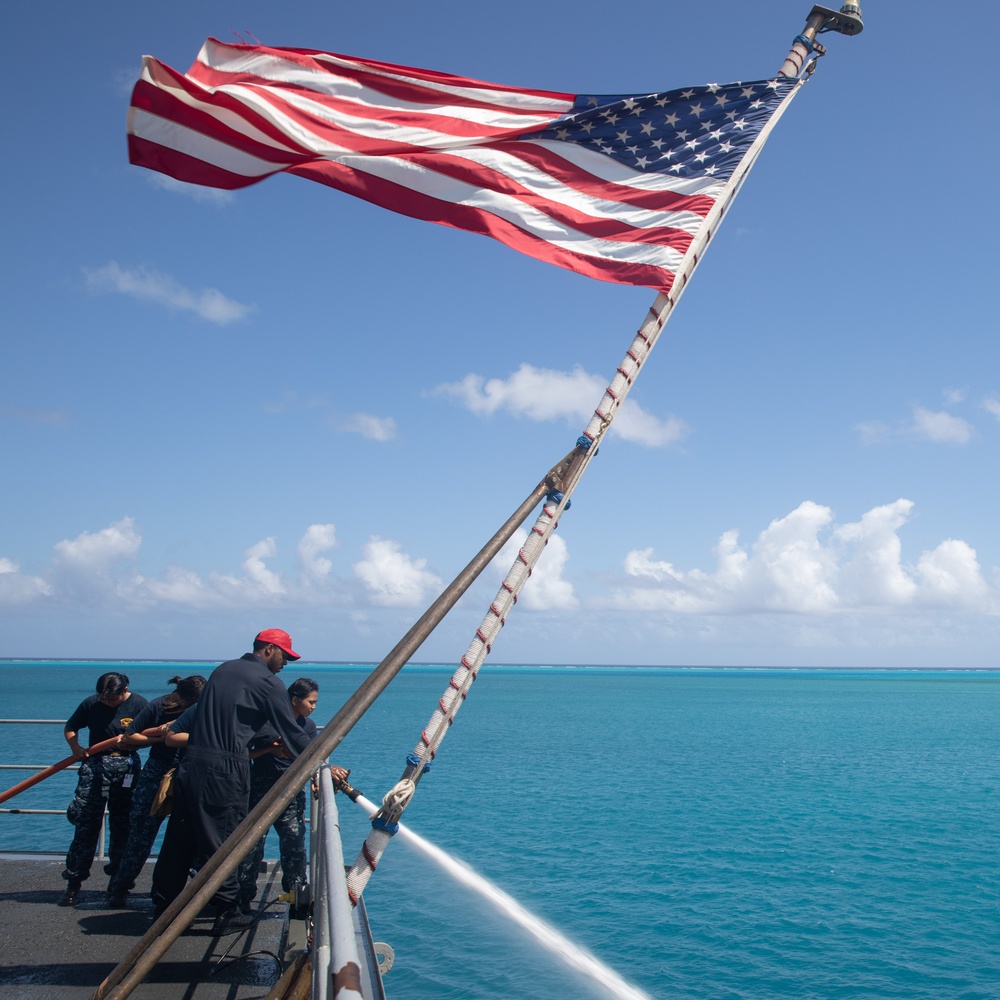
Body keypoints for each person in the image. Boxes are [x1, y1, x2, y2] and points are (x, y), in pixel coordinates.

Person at [150, 629, 341, 935]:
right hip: (224, 768)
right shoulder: (268, 683)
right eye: (284, 656)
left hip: (192, 762)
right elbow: (289, 732)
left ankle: (163, 907)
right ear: (268, 649)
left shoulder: (223, 670)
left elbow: (233, 720)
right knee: (223, 839)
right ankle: (227, 910)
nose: (285, 664)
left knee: (180, 839)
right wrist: (321, 764)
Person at [105, 674, 207, 907]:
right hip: (158, 771)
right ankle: (120, 886)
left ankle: (196, 889)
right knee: (141, 833)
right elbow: (132, 734)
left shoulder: (202, 708)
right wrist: (162, 736)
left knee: (192, 835)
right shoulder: (159, 705)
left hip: (187, 770)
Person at [59, 672, 150, 906]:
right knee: (85, 823)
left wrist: (130, 740)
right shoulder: (91, 703)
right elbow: (71, 726)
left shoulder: (139, 704)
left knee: (123, 826)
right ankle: (74, 882)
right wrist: (75, 748)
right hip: (96, 764)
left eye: (113, 699)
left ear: (125, 690)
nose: (108, 702)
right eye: (104, 698)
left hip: (127, 765)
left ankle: (118, 885)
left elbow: (153, 734)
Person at [237, 677, 321, 913]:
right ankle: (243, 898)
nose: (313, 707)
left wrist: (315, 778)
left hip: (292, 792)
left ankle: (297, 899)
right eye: (310, 702)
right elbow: (242, 754)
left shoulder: (308, 727)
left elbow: (312, 757)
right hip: (261, 790)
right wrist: (270, 749)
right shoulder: (265, 726)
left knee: (294, 844)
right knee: (251, 846)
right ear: (294, 700)